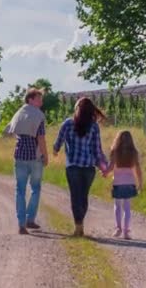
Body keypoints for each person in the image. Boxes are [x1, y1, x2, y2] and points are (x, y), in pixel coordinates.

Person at [53, 97, 107, 237]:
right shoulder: (94, 126)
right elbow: (97, 149)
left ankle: (78, 225)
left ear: (78, 109)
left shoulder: (68, 123)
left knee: (75, 196)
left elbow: (59, 139)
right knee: (83, 197)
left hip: (73, 167)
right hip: (89, 168)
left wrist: (56, 149)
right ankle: (80, 224)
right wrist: (104, 165)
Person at [5, 88, 48, 235]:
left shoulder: (18, 113)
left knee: (20, 190)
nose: (41, 102)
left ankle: (21, 224)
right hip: (35, 158)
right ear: (30, 99)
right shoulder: (39, 116)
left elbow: (8, 131)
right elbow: (41, 139)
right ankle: (30, 219)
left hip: (20, 155)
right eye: (38, 99)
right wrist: (46, 155)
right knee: (35, 188)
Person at [102, 131, 143, 240]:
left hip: (118, 183)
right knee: (127, 207)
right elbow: (138, 169)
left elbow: (110, 167)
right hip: (130, 183)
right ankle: (126, 231)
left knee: (117, 206)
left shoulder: (115, 152)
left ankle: (118, 228)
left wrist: (105, 172)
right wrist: (140, 183)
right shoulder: (133, 152)